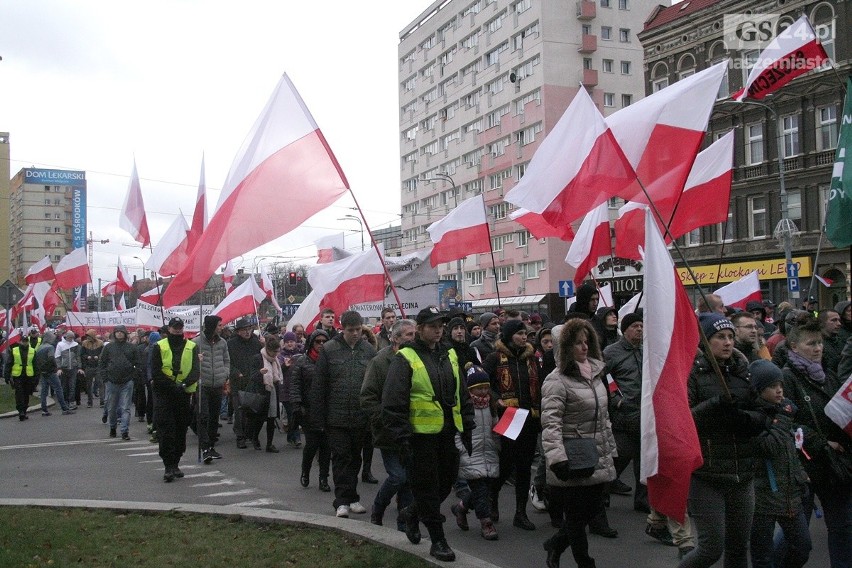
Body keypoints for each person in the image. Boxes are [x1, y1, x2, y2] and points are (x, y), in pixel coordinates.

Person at [382, 306, 475, 562]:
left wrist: (467, 426)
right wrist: (401, 439)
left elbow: (462, 394)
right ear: (420, 329)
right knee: (427, 488)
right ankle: (438, 540)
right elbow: (393, 402)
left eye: (441, 326)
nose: (438, 330)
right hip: (419, 437)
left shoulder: (449, 355)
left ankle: (412, 513)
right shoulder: (406, 358)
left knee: (447, 481)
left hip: (447, 433)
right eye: (433, 326)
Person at [680, 313, 768, 568]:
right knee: (711, 548)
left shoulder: (744, 371)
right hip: (707, 475)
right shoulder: (693, 374)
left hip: (743, 473)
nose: (728, 342)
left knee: (739, 547)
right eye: (720, 337)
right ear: (706, 341)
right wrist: (714, 405)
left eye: (730, 336)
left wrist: (746, 418)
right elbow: (685, 420)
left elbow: (763, 413)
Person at [541, 318, 617, 568]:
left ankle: (555, 543)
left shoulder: (596, 374)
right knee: (576, 516)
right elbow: (551, 424)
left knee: (590, 511)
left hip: (597, 454)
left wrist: (611, 450)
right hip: (573, 456)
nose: (584, 347)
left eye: (587, 342)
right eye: (577, 343)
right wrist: (557, 458)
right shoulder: (557, 380)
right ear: (565, 347)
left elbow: (603, 418)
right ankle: (585, 562)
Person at [781, 319, 851, 568]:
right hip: (804, 467)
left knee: (843, 529)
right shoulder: (786, 378)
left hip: (834, 467)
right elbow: (787, 422)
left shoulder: (827, 376)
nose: (818, 348)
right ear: (794, 347)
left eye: (820, 343)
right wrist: (822, 442)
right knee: (796, 537)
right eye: (811, 344)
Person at [748, 360, 811, 568]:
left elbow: (790, 451)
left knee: (802, 547)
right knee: (762, 556)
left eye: (781, 385)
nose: (779, 391)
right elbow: (768, 447)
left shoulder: (781, 413)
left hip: (789, 494)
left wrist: (801, 475)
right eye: (772, 386)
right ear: (759, 389)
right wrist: (783, 418)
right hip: (762, 496)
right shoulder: (753, 415)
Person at [315, 310, 376, 518]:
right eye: (351, 330)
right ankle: (341, 501)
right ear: (343, 329)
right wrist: (319, 417)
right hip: (336, 416)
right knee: (341, 457)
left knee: (355, 458)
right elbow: (320, 384)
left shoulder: (369, 350)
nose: (356, 334)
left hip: (360, 416)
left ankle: (352, 497)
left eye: (359, 329)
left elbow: (373, 383)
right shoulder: (329, 350)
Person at [483, 319, 541, 531]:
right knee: (506, 466)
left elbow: (539, 385)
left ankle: (520, 513)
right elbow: (480, 381)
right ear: (508, 336)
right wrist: (495, 398)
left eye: (525, 333)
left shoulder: (532, 359)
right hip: (508, 418)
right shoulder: (495, 358)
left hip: (530, 419)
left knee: (525, 468)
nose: (524, 337)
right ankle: (493, 497)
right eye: (519, 333)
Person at [361, 318, 417, 529]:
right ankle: (378, 507)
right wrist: (384, 419)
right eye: (408, 335)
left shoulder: (417, 358)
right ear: (395, 338)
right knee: (398, 476)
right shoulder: (380, 362)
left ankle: (405, 525)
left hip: (412, 429)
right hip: (388, 431)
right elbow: (367, 397)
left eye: (414, 334)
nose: (413, 338)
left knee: (409, 479)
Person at [450, 363, 501, 541]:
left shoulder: (491, 405)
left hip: (489, 452)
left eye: (486, 387)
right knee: (480, 490)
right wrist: (462, 450)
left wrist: (499, 440)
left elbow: (495, 425)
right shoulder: (465, 406)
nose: (483, 391)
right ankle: (486, 523)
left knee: (484, 490)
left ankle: (461, 507)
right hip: (470, 453)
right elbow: (458, 431)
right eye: (479, 388)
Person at [603, 312, 647, 510]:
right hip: (623, 416)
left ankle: (642, 499)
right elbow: (603, 380)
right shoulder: (612, 352)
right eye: (635, 326)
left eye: (641, 325)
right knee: (619, 457)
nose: (639, 329)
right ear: (625, 329)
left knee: (644, 460)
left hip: (644, 413)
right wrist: (616, 401)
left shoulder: (645, 351)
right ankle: (603, 493)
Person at [151, 317, 199, 482]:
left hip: (184, 395)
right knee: (166, 431)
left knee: (180, 430)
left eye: (180, 327)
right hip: (165, 395)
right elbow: (156, 373)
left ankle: (176, 462)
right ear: (169, 329)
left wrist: (184, 384)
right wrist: (173, 385)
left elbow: (195, 370)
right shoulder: (159, 346)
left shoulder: (191, 346)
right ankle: (168, 465)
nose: (177, 330)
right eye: (174, 327)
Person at [291, 329, 331, 491]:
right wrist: (297, 407)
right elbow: (295, 386)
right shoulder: (302, 362)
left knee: (326, 447)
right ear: (311, 343)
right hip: (308, 411)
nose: (321, 344)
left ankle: (324, 478)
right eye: (318, 341)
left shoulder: (331, 361)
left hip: (327, 410)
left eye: (324, 342)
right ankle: (305, 472)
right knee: (312, 445)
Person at [196, 315, 229, 463]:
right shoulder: (196, 342)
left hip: (217, 384)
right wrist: (197, 361)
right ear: (212, 326)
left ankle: (211, 446)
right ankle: (204, 448)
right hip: (203, 384)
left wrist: (225, 374)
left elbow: (226, 360)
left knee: (214, 418)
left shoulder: (222, 343)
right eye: (219, 325)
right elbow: (189, 362)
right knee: (203, 416)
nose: (221, 328)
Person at [98, 325, 140, 440]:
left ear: (125, 334)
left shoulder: (131, 347)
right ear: (114, 334)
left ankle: (124, 431)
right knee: (112, 407)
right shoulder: (109, 347)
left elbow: (138, 363)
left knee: (125, 407)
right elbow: (102, 363)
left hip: (127, 381)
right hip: (112, 381)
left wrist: (133, 377)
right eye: (117, 332)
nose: (120, 334)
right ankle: (112, 427)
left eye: (122, 332)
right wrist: (105, 378)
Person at [228, 318, 263, 449]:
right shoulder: (231, 344)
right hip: (238, 382)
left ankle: (250, 434)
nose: (247, 332)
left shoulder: (256, 343)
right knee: (239, 411)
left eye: (249, 329)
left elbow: (263, 358)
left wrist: (264, 345)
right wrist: (236, 372)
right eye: (244, 330)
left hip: (253, 381)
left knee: (253, 410)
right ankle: (240, 437)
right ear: (238, 331)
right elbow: (228, 362)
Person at [247, 334, 282, 453]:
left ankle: (269, 444)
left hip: (272, 391)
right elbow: (252, 376)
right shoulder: (258, 358)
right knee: (260, 418)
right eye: (274, 352)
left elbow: (277, 376)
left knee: (272, 418)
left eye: (277, 352)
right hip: (261, 391)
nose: (276, 355)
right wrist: (260, 373)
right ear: (268, 350)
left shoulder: (275, 360)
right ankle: (255, 438)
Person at [4, 326, 41, 420]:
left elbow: (35, 365)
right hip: (18, 375)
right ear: (20, 341)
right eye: (23, 341)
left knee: (27, 393)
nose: (25, 343)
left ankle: (24, 410)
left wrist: (37, 377)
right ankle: (21, 411)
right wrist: (7, 375)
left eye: (26, 341)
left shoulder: (32, 351)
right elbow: (9, 363)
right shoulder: (14, 350)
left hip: (29, 375)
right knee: (19, 393)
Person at [35, 331, 74, 416]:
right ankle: (64, 408)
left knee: (44, 391)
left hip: (42, 371)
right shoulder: (50, 347)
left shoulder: (40, 347)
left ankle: (44, 410)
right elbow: (51, 357)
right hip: (50, 371)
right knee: (58, 389)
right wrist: (55, 367)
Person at [278, 331, 303, 449]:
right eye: (287, 342)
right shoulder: (281, 355)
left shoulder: (300, 354)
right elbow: (278, 372)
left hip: (298, 389)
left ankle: (291, 436)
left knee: (295, 414)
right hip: (286, 389)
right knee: (291, 413)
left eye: (291, 341)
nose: (289, 344)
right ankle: (297, 437)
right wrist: (284, 366)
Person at [54, 330, 81, 410]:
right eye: (69, 337)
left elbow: (78, 357)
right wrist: (58, 368)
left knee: (72, 385)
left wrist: (79, 366)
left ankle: (71, 401)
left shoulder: (76, 345)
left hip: (73, 367)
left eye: (72, 337)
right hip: (63, 368)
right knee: (64, 386)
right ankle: (65, 401)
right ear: (66, 337)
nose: (71, 339)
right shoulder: (60, 345)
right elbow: (57, 357)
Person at [80, 329, 103, 408]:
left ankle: (102, 401)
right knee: (88, 385)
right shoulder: (84, 343)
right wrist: (87, 357)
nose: (88, 338)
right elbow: (82, 354)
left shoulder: (100, 343)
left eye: (89, 336)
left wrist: (98, 357)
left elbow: (103, 354)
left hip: (98, 366)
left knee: (100, 384)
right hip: (89, 366)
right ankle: (89, 402)